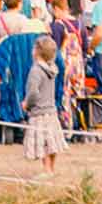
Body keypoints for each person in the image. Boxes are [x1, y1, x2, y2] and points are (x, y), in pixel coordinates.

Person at [21, 35, 66, 176]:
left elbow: (33, 92)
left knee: (45, 143)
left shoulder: (35, 71)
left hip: (39, 112)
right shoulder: (52, 69)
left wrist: (27, 104)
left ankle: (46, 170)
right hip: (51, 110)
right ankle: (52, 168)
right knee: (52, 142)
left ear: (37, 51)